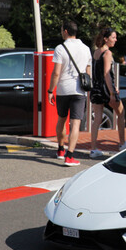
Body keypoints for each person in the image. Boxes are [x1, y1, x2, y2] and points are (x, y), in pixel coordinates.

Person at [47, 21, 91, 167]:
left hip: (63, 89)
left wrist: (50, 90)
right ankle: (70, 156)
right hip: (79, 90)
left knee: (61, 119)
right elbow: (88, 71)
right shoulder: (85, 48)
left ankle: (60, 150)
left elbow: (56, 73)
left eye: (61, 30)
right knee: (75, 123)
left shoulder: (60, 48)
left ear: (65, 31)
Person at [90, 27, 126, 158]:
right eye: (113, 37)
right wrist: (112, 92)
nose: (115, 40)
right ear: (106, 39)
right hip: (105, 89)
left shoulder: (96, 52)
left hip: (95, 88)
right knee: (121, 112)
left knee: (97, 118)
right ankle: (122, 143)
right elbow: (107, 74)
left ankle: (93, 148)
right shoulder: (107, 54)